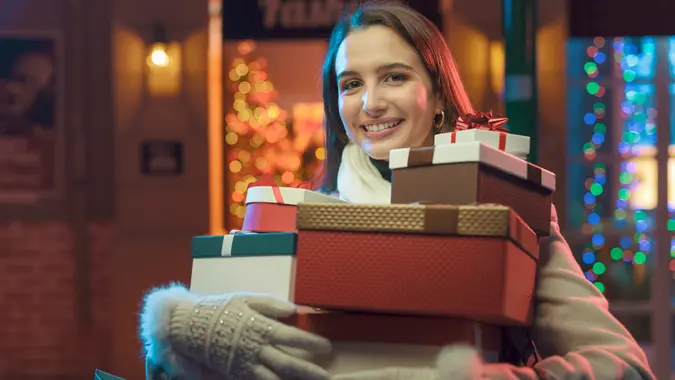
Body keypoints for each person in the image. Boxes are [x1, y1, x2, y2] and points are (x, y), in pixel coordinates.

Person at [139, 1, 656, 379]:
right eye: (351, 84)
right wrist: (188, 340)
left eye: (393, 77)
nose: (371, 103)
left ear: (435, 96)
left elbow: (624, 366)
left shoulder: (505, 213)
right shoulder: (297, 216)